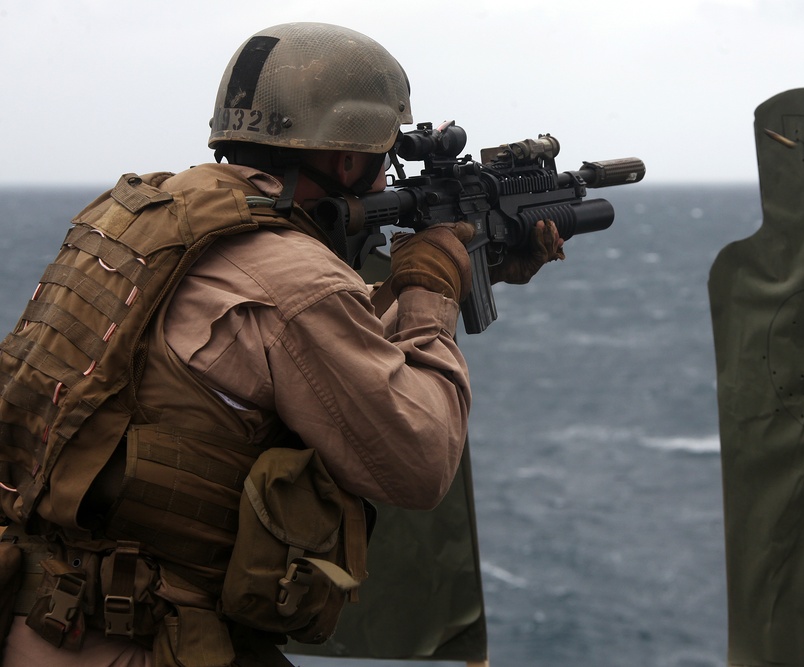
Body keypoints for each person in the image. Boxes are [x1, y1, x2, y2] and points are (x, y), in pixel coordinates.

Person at [0, 22, 563, 666]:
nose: (385, 182)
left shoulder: (144, 215)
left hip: (43, 613)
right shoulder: (296, 276)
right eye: (383, 158)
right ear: (347, 159)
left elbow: (292, 350)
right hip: (145, 639)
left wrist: (465, 269)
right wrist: (431, 297)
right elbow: (419, 462)